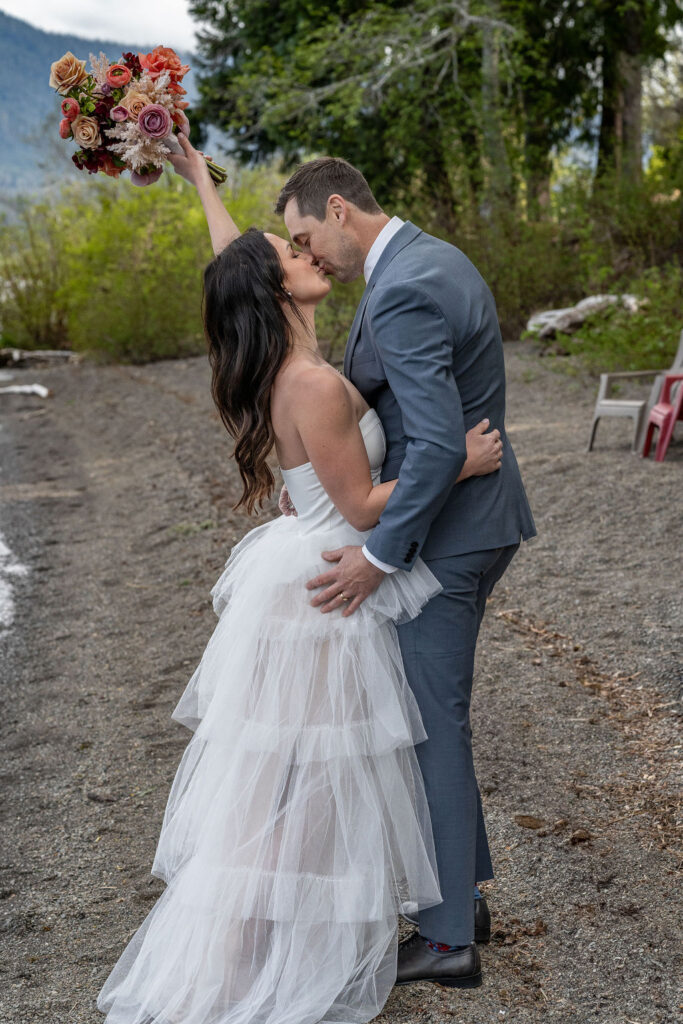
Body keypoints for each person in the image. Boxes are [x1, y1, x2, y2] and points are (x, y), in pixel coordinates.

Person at [96, 134, 503, 1024]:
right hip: (330, 573)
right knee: (318, 778)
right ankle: (292, 940)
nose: (304, 252)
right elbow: (361, 509)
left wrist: (200, 179)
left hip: (303, 567)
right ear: (280, 287)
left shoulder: (295, 345)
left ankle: (406, 910)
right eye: (291, 253)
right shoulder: (309, 380)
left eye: (296, 239)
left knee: (308, 771)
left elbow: (235, 266)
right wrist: (462, 465)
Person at [273, 156, 537, 988]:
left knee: (430, 725)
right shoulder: (432, 256)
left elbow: (432, 443)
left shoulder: (402, 288)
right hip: (472, 524)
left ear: (340, 209)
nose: (308, 255)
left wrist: (377, 559)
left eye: (306, 236)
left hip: (447, 538)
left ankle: (448, 938)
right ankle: (461, 894)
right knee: (432, 715)